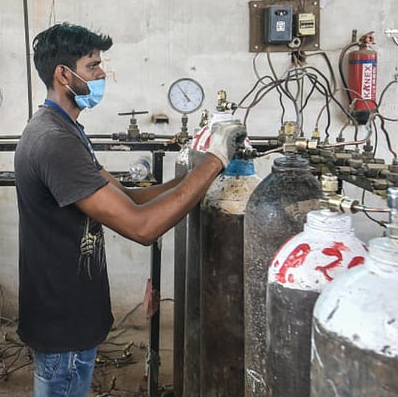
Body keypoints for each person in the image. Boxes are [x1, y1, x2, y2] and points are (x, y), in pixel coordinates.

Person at [14, 22, 245, 396]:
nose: (103, 73)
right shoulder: (53, 141)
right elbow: (142, 227)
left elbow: (128, 197)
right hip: (63, 322)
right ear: (63, 74)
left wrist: (196, 174)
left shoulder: (68, 131)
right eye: (92, 66)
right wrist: (215, 161)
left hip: (73, 314)